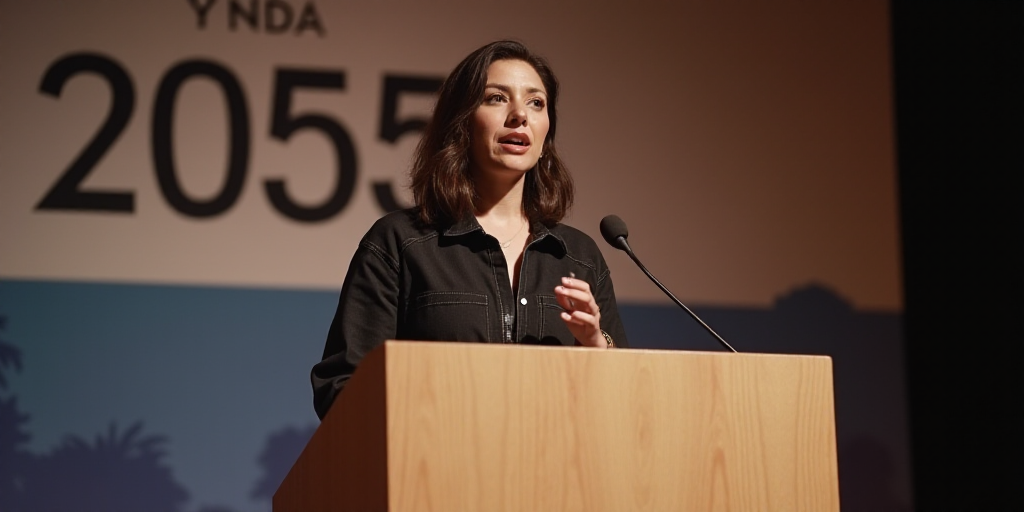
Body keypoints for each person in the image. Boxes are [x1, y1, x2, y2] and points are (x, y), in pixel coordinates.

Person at [311, 40, 629, 420]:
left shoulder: (579, 257)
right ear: (461, 124)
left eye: (536, 103)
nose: (519, 116)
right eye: (496, 98)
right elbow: (342, 389)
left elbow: (625, 405)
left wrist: (596, 345)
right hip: (436, 470)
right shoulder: (400, 243)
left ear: (547, 136)